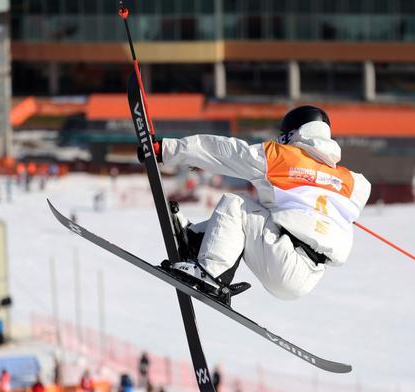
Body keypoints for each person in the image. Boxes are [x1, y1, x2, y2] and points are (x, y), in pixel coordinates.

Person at [142, 105, 371, 302]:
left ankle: (211, 273)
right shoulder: (352, 181)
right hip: (310, 273)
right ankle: (196, 239)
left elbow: (226, 153)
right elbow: (363, 190)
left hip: (283, 261)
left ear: (294, 132)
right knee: (254, 211)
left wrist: (167, 151)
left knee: (237, 203)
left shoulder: (280, 156)